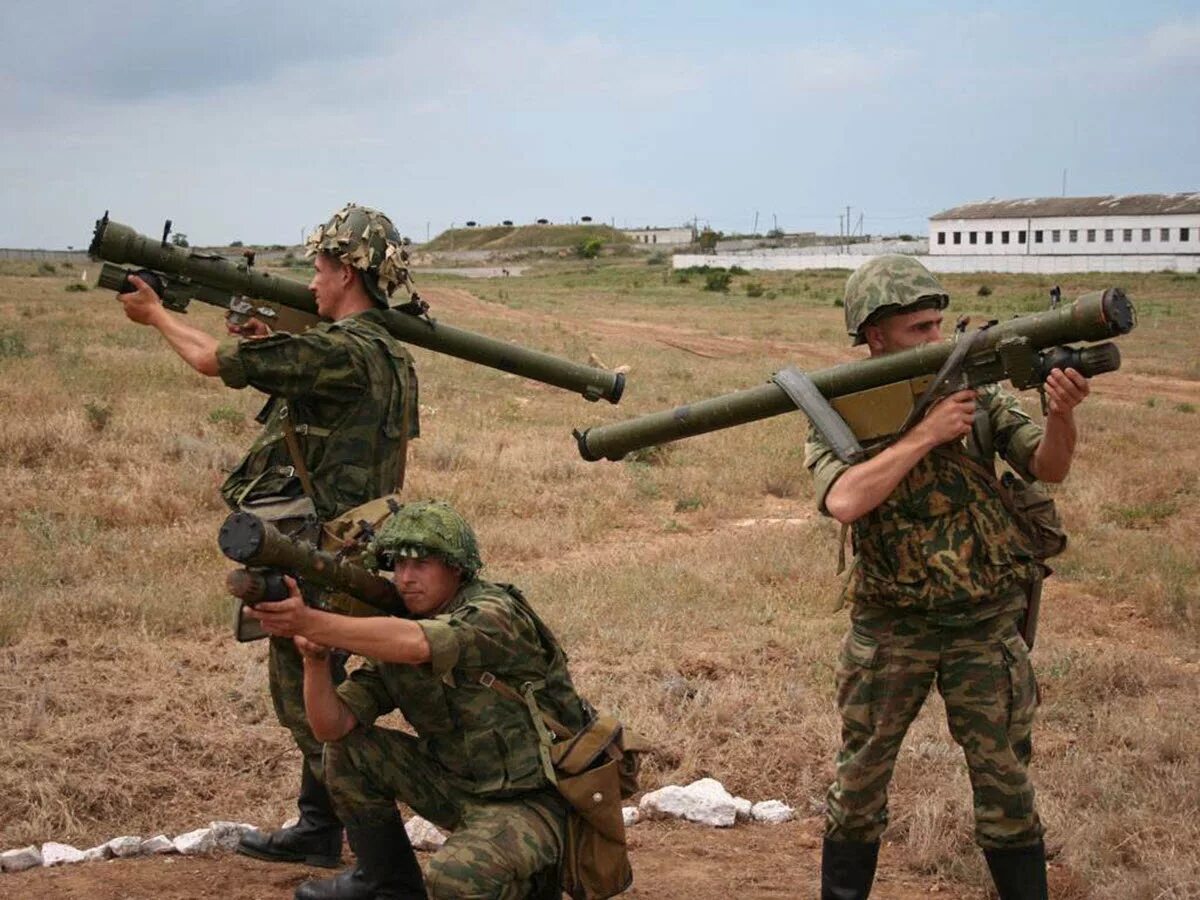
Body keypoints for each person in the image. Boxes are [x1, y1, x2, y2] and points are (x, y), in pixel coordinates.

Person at [117, 203, 420, 870]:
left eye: (318, 267)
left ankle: (383, 868)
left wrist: (157, 316)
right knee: (326, 690)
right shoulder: (386, 353)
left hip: (317, 550)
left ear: (347, 271)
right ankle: (317, 826)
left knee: (307, 706)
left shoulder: (339, 350)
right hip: (356, 542)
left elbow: (207, 359)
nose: (310, 281)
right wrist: (268, 343)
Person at [806, 256, 1090, 900]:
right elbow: (846, 500)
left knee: (1007, 791)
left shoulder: (976, 394)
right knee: (857, 791)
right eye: (918, 329)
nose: (937, 340)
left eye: (939, 324)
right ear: (874, 335)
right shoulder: (842, 406)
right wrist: (926, 435)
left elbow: (1048, 465)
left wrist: (1063, 413)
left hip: (984, 628)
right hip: (890, 629)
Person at [247, 500, 590, 900]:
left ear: (456, 567)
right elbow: (331, 726)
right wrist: (316, 660)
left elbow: (418, 646)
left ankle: (531, 882)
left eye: (421, 564)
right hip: (459, 788)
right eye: (399, 565)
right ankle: (388, 886)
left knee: (454, 877)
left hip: (535, 802)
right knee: (346, 751)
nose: (406, 578)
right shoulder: (404, 628)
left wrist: (310, 621)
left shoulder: (494, 613)